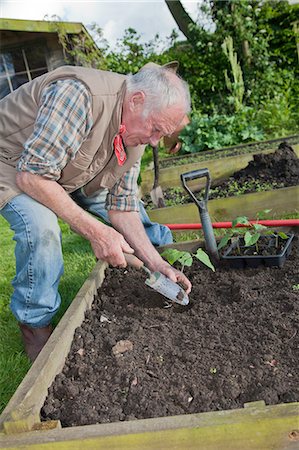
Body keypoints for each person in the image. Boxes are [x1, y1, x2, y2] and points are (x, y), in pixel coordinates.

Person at [0, 62, 192, 362]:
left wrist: (156, 263)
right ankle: (34, 324)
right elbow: (33, 176)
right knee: (42, 226)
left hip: (65, 167)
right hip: (11, 160)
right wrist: (96, 231)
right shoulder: (78, 95)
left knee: (124, 209)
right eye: (155, 129)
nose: (156, 141)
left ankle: (158, 249)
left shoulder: (138, 129)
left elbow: (123, 206)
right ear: (137, 100)